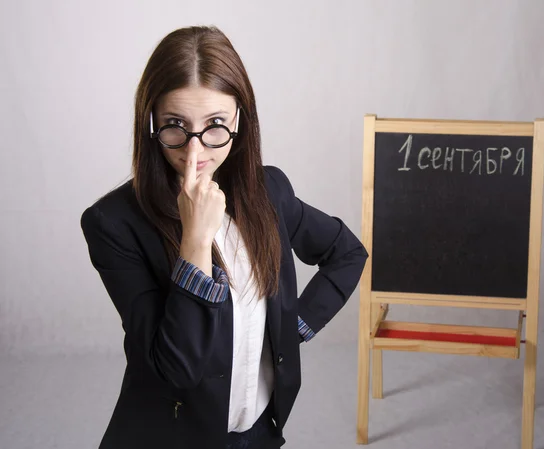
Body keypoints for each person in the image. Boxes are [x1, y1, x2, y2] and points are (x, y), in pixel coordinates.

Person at [80, 25, 368, 449]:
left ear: (240, 119)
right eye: (175, 126)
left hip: (259, 433)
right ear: (151, 123)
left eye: (215, 125)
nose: (195, 153)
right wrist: (195, 240)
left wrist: (293, 325)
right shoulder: (114, 223)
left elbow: (347, 252)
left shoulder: (270, 193)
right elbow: (175, 367)